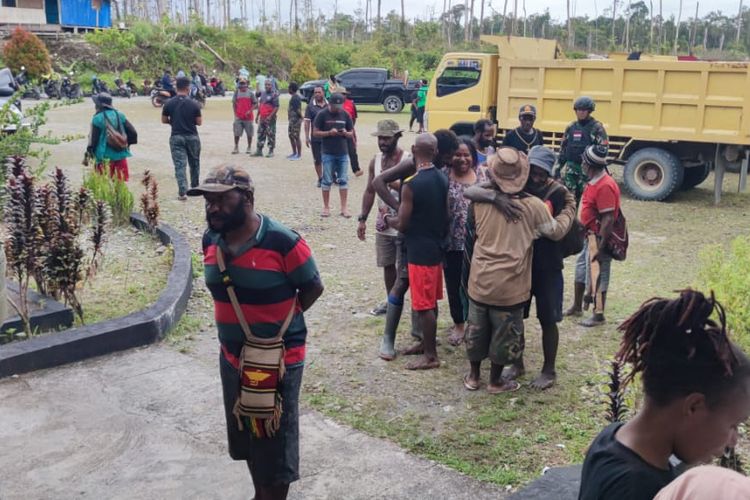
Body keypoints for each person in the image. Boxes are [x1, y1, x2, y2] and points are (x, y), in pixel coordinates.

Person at [188, 164, 324, 500]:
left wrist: (274, 326)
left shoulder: (283, 241)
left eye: (221, 199)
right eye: (207, 200)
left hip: (275, 360)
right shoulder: (212, 239)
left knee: (273, 441)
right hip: (232, 357)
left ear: (246, 198)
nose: (212, 207)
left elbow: (311, 288)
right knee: (248, 434)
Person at [578, 289, 750, 500]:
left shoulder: (613, 436)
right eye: (733, 424)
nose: (733, 440)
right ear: (694, 406)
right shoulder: (635, 489)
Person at [462, 147, 575, 394]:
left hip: (482, 279)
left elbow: (469, 196)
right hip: (512, 283)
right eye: (532, 172)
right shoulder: (533, 206)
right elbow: (556, 232)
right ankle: (495, 380)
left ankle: (473, 377)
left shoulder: (479, 201)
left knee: (478, 329)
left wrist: (492, 197)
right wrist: (569, 209)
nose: (536, 177)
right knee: (505, 331)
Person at [372, 129, 462, 361]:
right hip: (413, 239)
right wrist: (398, 206)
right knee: (403, 285)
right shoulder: (413, 165)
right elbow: (378, 181)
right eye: (449, 154)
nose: (451, 159)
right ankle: (389, 339)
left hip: (428, 240)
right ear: (437, 151)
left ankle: (424, 340)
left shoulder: (439, 171)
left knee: (425, 294)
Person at [514, 145, 575, 390]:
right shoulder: (517, 187)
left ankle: (549, 370)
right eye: (534, 170)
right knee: (516, 315)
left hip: (548, 265)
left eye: (542, 171)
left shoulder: (558, 192)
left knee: (548, 319)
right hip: (521, 263)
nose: (537, 176)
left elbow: (559, 229)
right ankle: (516, 362)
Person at [564, 145, 620, 327]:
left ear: (590, 165)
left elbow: (608, 218)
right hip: (588, 236)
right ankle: (578, 305)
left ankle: (598, 314)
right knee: (582, 270)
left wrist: (601, 245)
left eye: (584, 162)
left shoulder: (605, 186)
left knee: (598, 274)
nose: (581, 164)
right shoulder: (595, 179)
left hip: (597, 238)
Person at [357, 120, 407, 318]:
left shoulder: (408, 159)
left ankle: (404, 300)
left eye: (387, 138)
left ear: (397, 137)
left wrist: (389, 182)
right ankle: (391, 301)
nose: (383, 142)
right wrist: (362, 219)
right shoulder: (375, 161)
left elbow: (414, 190)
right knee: (387, 263)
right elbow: (370, 191)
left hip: (405, 220)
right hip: (384, 220)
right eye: (380, 138)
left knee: (405, 266)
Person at [443, 137, 489, 347]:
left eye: (466, 155)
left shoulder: (483, 176)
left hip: (478, 242)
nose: (462, 159)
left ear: (473, 156)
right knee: (453, 284)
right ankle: (459, 324)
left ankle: (476, 324)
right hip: (451, 242)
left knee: (476, 284)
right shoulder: (444, 175)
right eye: (458, 155)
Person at [558, 96, 609, 202]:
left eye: (584, 110)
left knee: (587, 199)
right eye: (578, 110)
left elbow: (603, 149)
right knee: (569, 200)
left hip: (588, 171)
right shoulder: (571, 127)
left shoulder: (597, 128)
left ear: (589, 111)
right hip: (571, 169)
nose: (580, 112)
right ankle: (571, 218)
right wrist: (557, 169)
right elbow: (563, 149)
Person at [313, 93, 354, 218]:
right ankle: (326, 207)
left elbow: (352, 132)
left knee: (343, 180)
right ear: (329, 104)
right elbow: (315, 133)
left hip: (343, 152)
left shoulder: (345, 114)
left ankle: (344, 207)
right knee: (327, 181)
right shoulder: (322, 115)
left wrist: (346, 133)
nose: (337, 108)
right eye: (335, 106)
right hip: (328, 152)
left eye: (339, 106)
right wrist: (328, 133)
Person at [162, 76, 203, 201]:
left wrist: (173, 122)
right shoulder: (194, 104)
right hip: (192, 136)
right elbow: (199, 122)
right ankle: (195, 187)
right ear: (188, 88)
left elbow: (164, 120)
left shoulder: (169, 103)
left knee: (180, 165)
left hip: (176, 136)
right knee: (194, 163)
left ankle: (182, 192)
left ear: (176, 87)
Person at [85, 92, 137, 181]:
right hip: (121, 156)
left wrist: (88, 155)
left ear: (99, 105)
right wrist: (126, 145)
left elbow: (93, 140)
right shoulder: (120, 115)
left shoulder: (97, 118)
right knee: (120, 186)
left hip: (103, 158)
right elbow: (133, 133)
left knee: (103, 186)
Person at [304, 86, 327, 187]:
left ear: (323, 93)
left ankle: (329, 177)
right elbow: (306, 122)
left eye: (319, 92)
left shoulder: (329, 105)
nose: (317, 94)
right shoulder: (310, 107)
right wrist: (306, 137)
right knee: (317, 159)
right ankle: (320, 178)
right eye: (315, 92)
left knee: (328, 158)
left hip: (328, 137)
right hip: (315, 138)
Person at [253, 80, 280, 158]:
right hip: (262, 117)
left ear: (272, 86)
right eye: (265, 85)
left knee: (270, 134)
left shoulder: (274, 95)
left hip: (270, 119)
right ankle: (259, 150)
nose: (267, 86)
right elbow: (260, 105)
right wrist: (257, 116)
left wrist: (270, 116)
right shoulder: (263, 94)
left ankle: (271, 151)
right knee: (260, 133)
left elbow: (276, 107)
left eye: (268, 85)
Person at [231, 77, 257, 155]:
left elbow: (255, 103)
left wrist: (250, 110)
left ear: (247, 84)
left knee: (249, 133)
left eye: (244, 83)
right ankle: (236, 147)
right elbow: (234, 103)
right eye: (241, 83)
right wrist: (235, 114)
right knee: (236, 132)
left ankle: (249, 147)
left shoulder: (250, 93)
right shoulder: (236, 92)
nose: (242, 85)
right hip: (239, 117)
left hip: (248, 117)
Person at [341, 88, 362, 176]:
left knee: (352, 151)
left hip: (349, 130)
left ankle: (356, 169)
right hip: (337, 131)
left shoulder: (351, 104)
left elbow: (354, 117)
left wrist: (351, 127)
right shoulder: (333, 104)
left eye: (344, 94)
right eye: (340, 94)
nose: (342, 96)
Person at [287, 82, 303, 161]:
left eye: (289, 88)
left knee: (296, 136)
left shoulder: (295, 98)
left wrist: (301, 118)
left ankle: (299, 154)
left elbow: (298, 110)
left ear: (291, 89)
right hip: (292, 120)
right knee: (291, 136)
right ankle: (294, 153)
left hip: (295, 120)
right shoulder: (293, 97)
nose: (288, 89)